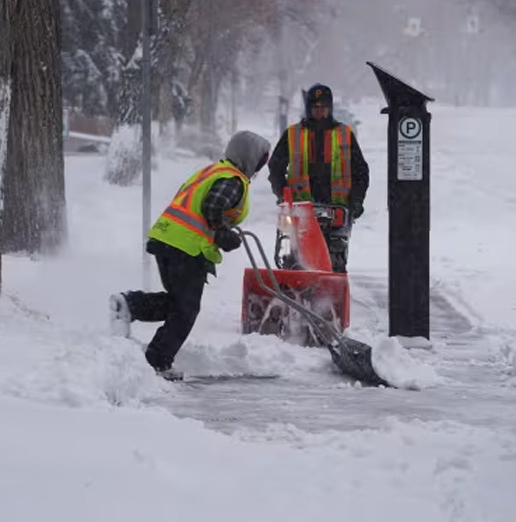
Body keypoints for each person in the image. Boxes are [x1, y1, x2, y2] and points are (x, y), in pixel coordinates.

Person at [109, 130, 271, 380]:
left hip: (166, 240)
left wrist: (221, 231)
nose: (258, 168)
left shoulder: (214, 171)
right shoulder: (233, 179)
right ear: (249, 157)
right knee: (185, 310)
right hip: (186, 247)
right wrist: (221, 234)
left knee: (178, 304)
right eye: (259, 162)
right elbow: (211, 207)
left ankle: (130, 305)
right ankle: (158, 362)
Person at [267, 84, 369, 272]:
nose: (319, 111)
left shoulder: (344, 134)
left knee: (335, 260)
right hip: (301, 209)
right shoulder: (293, 134)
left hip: (337, 209)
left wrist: (356, 201)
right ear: (308, 109)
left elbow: (361, 171)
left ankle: (331, 293)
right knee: (297, 257)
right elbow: (275, 166)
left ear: (330, 108)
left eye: (323, 107)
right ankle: (294, 292)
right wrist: (282, 194)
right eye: (315, 107)